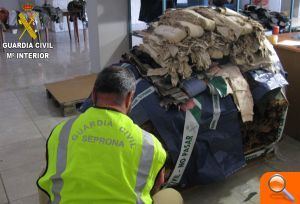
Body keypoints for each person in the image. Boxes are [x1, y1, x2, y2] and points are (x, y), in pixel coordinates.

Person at [37, 66, 183, 204]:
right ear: (129, 98)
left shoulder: (62, 131)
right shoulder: (151, 145)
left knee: (44, 173)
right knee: (171, 196)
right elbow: (158, 184)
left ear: (93, 95)